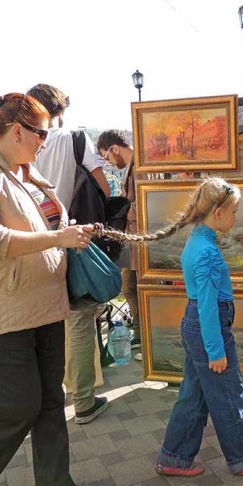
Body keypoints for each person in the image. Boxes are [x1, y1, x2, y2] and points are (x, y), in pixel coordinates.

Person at [0, 93, 92, 486]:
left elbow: (41, 230)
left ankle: (56, 483)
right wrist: (57, 238)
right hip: (0, 315)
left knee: (49, 406)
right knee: (16, 408)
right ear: (16, 131)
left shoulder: (27, 175)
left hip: (44, 307)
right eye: (41, 133)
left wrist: (69, 232)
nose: (46, 140)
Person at [97, 177, 243, 480]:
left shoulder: (197, 238)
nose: (237, 218)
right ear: (218, 213)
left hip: (196, 325)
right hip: (208, 329)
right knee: (229, 397)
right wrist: (216, 350)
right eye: (234, 211)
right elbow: (209, 306)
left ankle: (175, 457)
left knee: (194, 396)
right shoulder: (207, 251)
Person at [28, 83, 111, 424]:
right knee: (79, 319)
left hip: (35, 240)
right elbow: (103, 187)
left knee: (47, 323)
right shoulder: (75, 139)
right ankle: (84, 401)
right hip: (74, 238)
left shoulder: (24, 143)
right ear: (61, 109)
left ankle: (50, 397)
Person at [96, 130, 143, 361]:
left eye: (107, 157)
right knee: (129, 287)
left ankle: (144, 335)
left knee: (137, 287)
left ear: (115, 149)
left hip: (140, 240)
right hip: (131, 239)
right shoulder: (134, 166)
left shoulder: (141, 165)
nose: (110, 163)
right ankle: (140, 331)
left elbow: (146, 202)